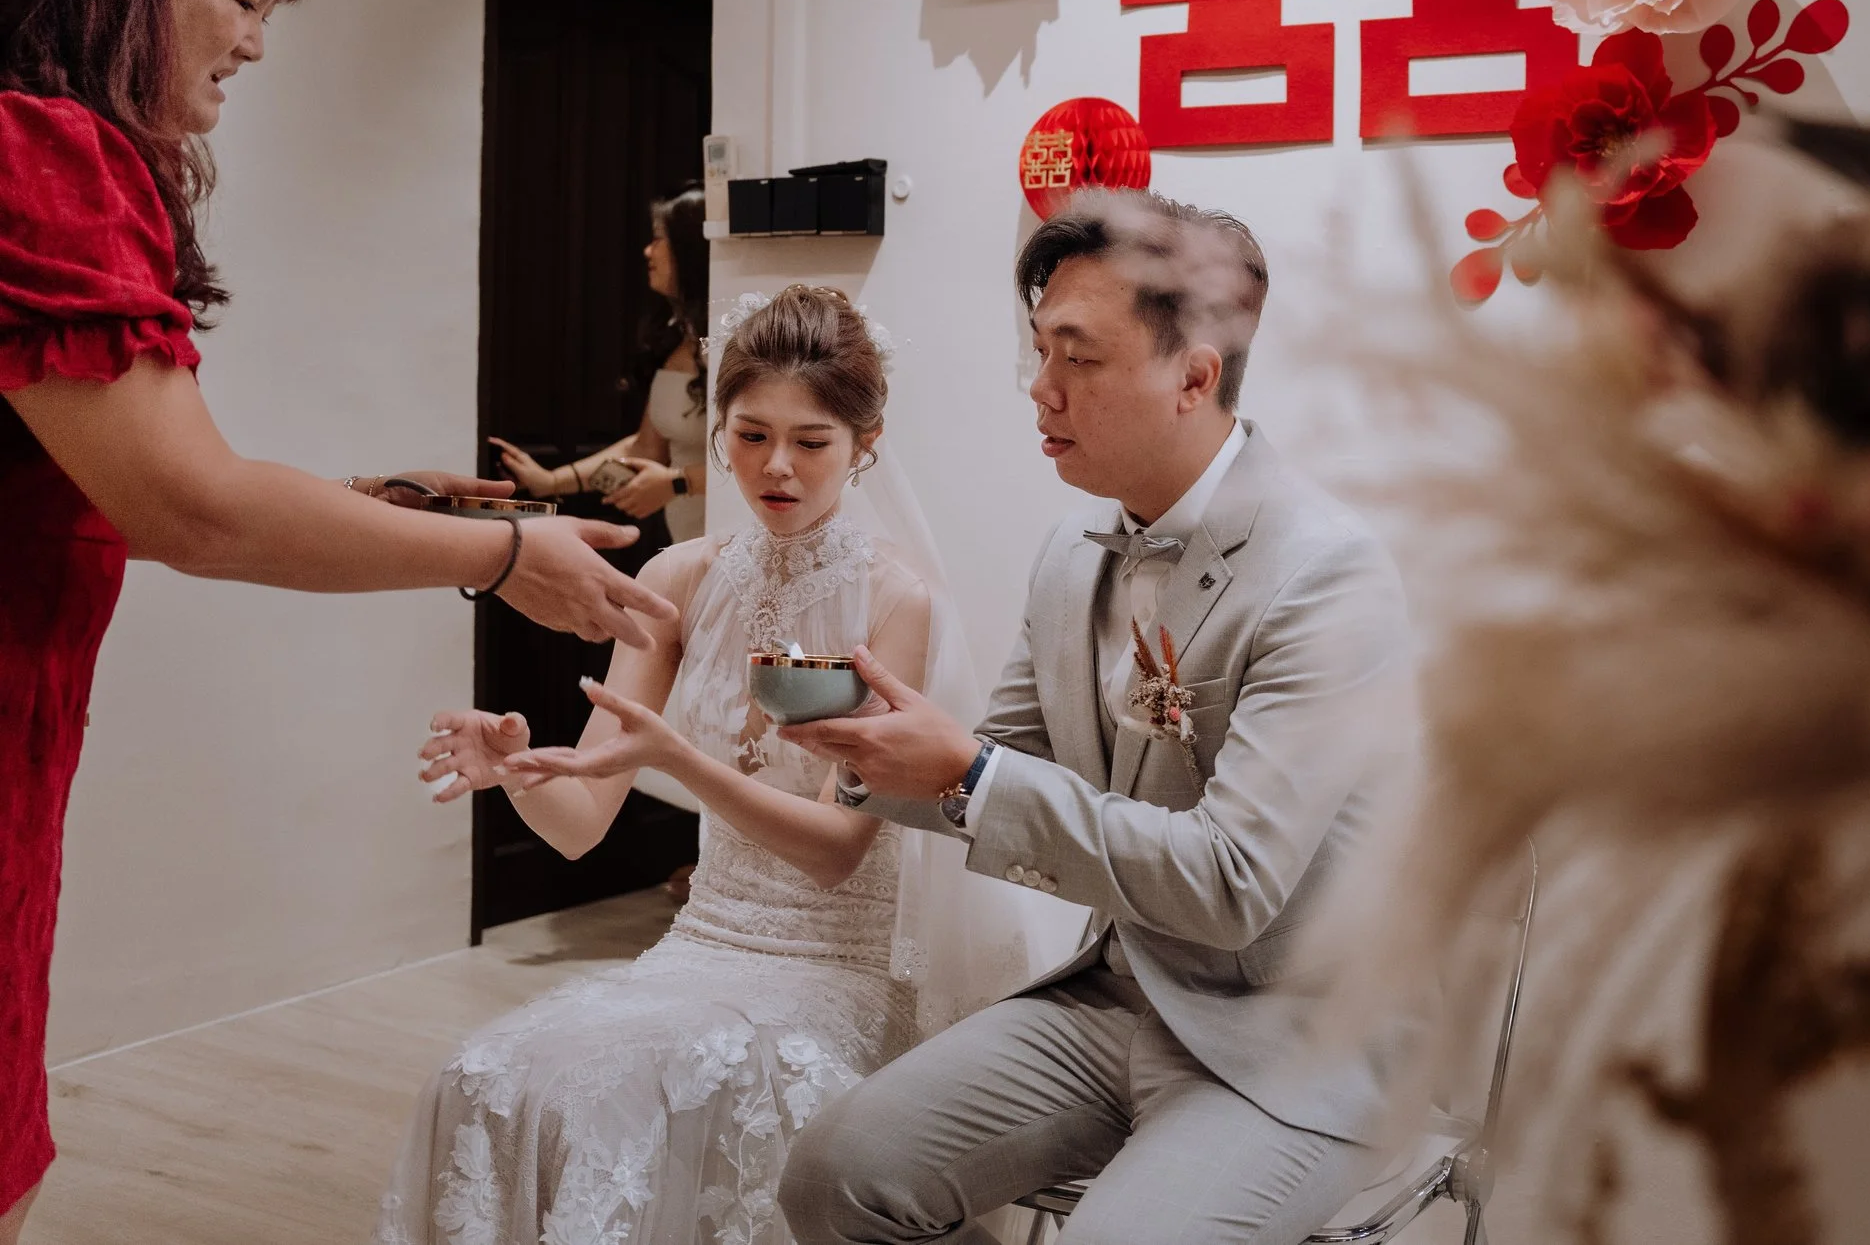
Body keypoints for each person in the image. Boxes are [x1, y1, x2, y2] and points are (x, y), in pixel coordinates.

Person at [0, 0, 671, 1245]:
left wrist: (383, 505)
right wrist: (504, 556)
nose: (256, 45)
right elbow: (192, 505)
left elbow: (124, 478)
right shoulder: (42, 151)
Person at [774, 192, 1412, 1245]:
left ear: (1193, 377)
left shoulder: (1326, 574)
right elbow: (1004, 762)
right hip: (1115, 997)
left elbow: (1229, 884)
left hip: (1293, 1044)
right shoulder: (1072, 557)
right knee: (834, 1175)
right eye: (1040, 350)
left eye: (1078, 357)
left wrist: (969, 771)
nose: (1041, 387)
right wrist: (864, 747)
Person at [382, 284, 1036, 1245]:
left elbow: (834, 851)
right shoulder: (676, 577)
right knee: (482, 1077)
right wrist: (518, 770)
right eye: (750, 433)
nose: (777, 466)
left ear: (865, 443)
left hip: (838, 969)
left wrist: (678, 756)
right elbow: (580, 826)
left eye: (812, 441)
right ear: (719, 428)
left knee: (643, 1104)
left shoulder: (896, 601)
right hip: (700, 949)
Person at [490, 185, 711, 544]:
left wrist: (677, 482)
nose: (648, 251)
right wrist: (551, 481)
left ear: (690, 250)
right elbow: (644, 449)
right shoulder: (678, 341)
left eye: (659, 239)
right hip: (685, 540)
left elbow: (754, 466)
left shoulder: (730, 345)